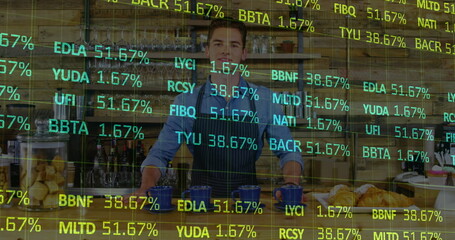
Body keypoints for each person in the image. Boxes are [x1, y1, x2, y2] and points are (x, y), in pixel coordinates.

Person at [125, 18, 304, 200]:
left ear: (244, 53)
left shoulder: (264, 100)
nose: (226, 50)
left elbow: (288, 151)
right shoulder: (186, 102)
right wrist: (146, 186)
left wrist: (291, 183)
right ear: (207, 51)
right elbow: (160, 154)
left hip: (247, 204)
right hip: (199, 205)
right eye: (218, 44)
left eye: (233, 45)